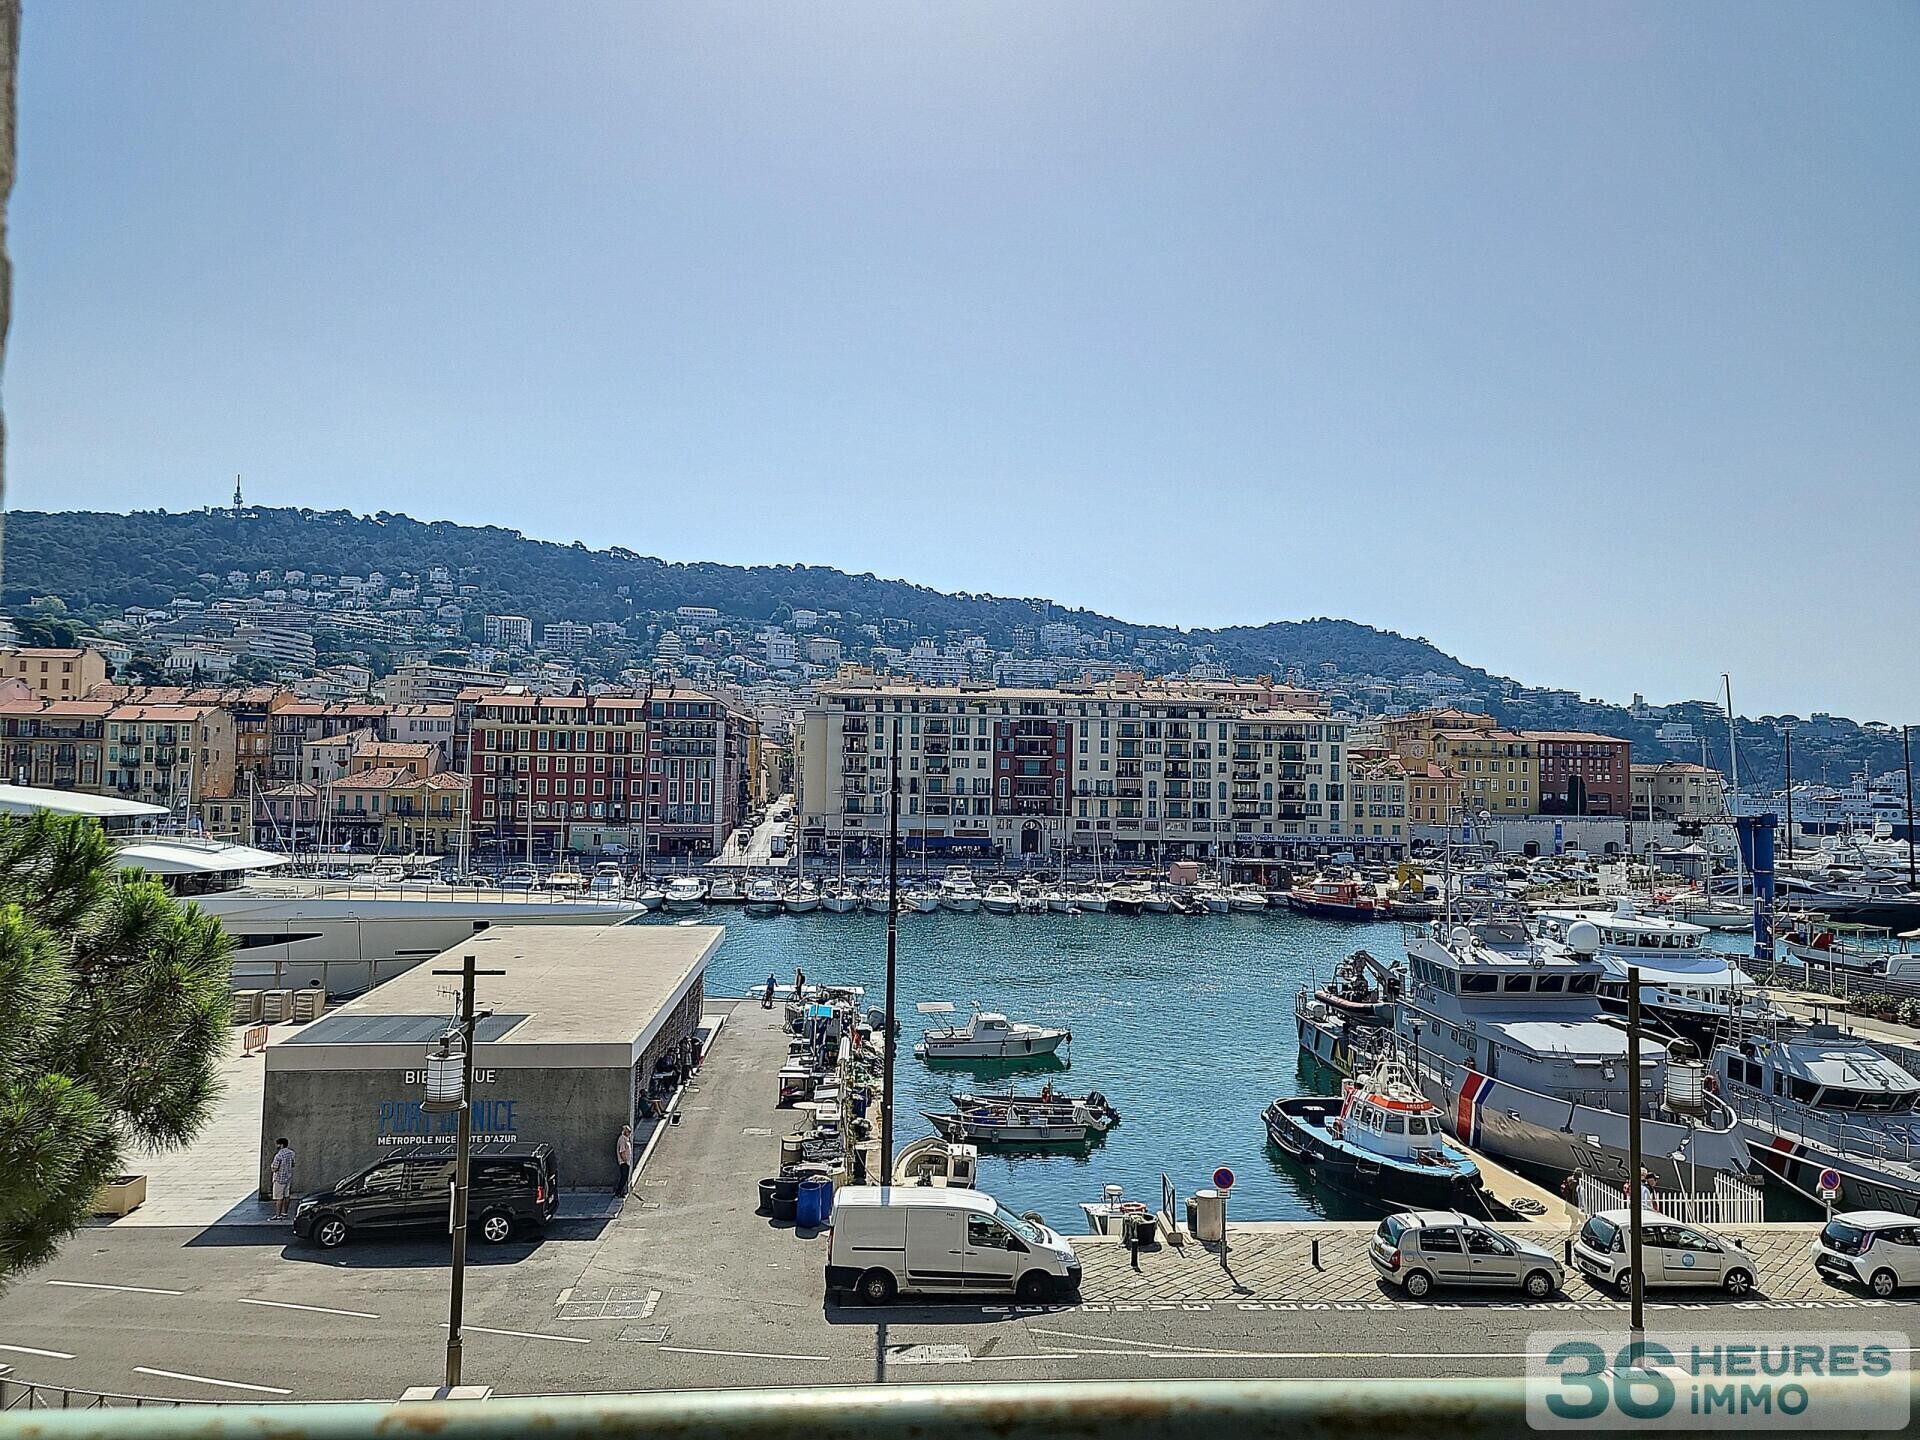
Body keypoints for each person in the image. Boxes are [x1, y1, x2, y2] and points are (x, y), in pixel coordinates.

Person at [270, 1138, 296, 1220]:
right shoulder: (291, 1153)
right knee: (286, 1195)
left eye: (278, 1144)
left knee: (279, 1197)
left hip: (279, 1179)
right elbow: (293, 1164)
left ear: (281, 1145)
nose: (276, 1146)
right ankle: (285, 1213)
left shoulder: (279, 1155)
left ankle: (278, 1215)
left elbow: (274, 1168)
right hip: (288, 1177)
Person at [616, 1124, 634, 1196]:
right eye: (628, 1132)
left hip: (626, 1162)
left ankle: (621, 1191)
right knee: (624, 1177)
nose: (629, 1133)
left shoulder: (625, 1139)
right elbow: (622, 1151)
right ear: (624, 1132)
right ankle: (618, 1192)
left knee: (625, 1177)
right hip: (624, 1162)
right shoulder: (622, 1139)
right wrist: (626, 1161)